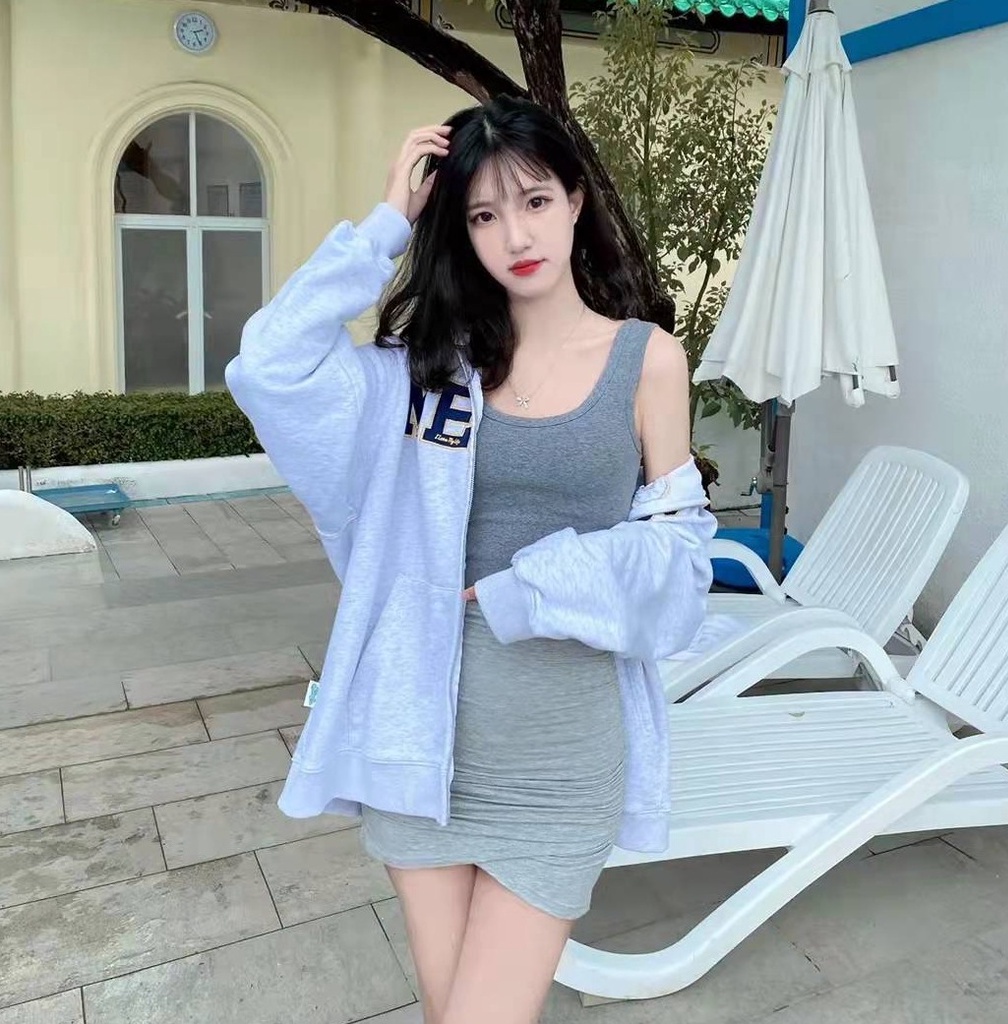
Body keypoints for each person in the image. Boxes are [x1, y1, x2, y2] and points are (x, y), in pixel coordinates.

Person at [226, 95, 715, 1024]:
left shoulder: (647, 361)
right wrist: (385, 227)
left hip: (560, 753)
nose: (515, 236)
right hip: (418, 740)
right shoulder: (424, 373)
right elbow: (269, 368)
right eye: (483, 215)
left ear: (575, 199)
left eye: (533, 201)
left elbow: (681, 559)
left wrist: (533, 586)